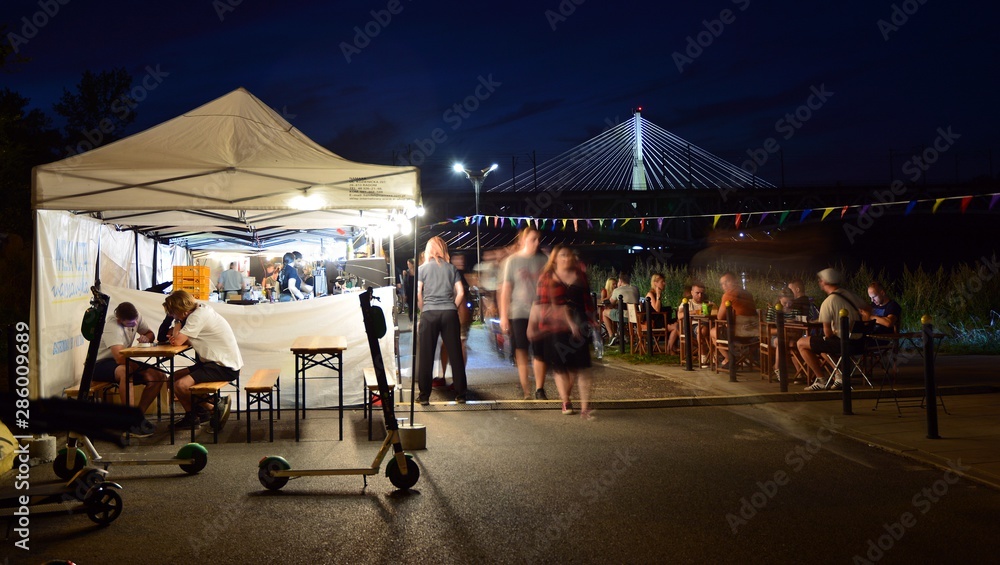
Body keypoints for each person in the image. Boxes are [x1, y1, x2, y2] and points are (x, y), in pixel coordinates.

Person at [529, 245, 597, 420]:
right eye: (563, 255)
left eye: (569, 255)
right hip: (555, 326)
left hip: (579, 324)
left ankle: (584, 407)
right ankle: (566, 400)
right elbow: (539, 303)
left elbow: (587, 300)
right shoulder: (547, 277)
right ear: (555, 258)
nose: (567, 258)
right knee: (560, 366)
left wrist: (593, 319)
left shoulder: (580, 276)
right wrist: (532, 325)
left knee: (580, 366)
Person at [164, 290, 243, 429]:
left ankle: (208, 409)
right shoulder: (200, 311)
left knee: (180, 385)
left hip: (223, 366)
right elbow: (184, 340)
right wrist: (179, 335)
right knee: (171, 379)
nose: (171, 316)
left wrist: (177, 323)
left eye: (172, 312)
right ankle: (204, 410)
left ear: (180, 309)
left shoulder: (197, 316)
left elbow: (177, 341)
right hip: (214, 363)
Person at [93, 302, 165, 437]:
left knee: (158, 376)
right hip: (100, 363)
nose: (135, 323)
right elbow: (119, 359)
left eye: (136, 321)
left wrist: (146, 338)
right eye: (131, 323)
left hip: (122, 360)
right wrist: (142, 369)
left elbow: (150, 333)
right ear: (120, 321)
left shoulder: (136, 317)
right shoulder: (112, 326)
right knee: (126, 372)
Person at [415, 236, 469, 405]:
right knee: (455, 354)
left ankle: (424, 396)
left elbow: (418, 292)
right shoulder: (452, 268)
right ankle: (461, 394)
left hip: (430, 313)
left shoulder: (422, 268)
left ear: (429, 250)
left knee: (426, 355)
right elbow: (460, 292)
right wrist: (453, 305)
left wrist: (424, 309)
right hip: (449, 313)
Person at [499, 226, 549, 400]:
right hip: (519, 311)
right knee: (521, 349)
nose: (536, 243)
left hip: (540, 311)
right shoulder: (512, 261)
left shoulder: (544, 260)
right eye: (532, 239)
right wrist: (504, 315)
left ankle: (540, 389)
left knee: (540, 350)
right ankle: (525, 386)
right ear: (523, 240)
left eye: (538, 239)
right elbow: (506, 289)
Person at [798, 268, 870, 390]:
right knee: (821, 346)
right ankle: (839, 375)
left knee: (801, 343)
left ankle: (821, 379)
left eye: (820, 281)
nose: (819, 283)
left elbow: (828, 333)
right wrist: (864, 324)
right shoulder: (850, 295)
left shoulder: (828, 302)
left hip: (844, 344)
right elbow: (868, 309)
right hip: (860, 343)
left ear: (824, 282)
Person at [710, 272, 757, 368]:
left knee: (713, 332)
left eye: (727, 281)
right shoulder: (747, 293)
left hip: (738, 333)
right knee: (721, 329)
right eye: (722, 283)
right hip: (753, 332)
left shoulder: (728, 295)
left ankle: (730, 359)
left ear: (735, 281)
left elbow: (719, 317)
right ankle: (737, 357)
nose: (724, 285)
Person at [677, 281, 713, 365]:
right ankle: (704, 356)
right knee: (702, 330)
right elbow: (679, 315)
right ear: (692, 293)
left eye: (702, 293)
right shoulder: (687, 303)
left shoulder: (708, 303)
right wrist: (695, 312)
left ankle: (716, 355)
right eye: (697, 293)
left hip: (709, 325)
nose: (700, 295)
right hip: (692, 327)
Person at [645, 273, 679, 354]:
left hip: (660, 319)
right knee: (676, 326)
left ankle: (673, 347)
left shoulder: (656, 293)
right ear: (655, 283)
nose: (664, 283)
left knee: (679, 322)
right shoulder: (650, 294)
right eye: (662, 281)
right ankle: (669, 349)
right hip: (654, 322)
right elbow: (657, 309)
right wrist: (658, 296)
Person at [602, 273, 640, 346]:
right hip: (635, 316)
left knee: (604, 313)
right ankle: (627, 337)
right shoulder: (636, 288)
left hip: (624, 316)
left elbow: (611, 302)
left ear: (620, 281)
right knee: (620, 314)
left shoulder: (617, 290)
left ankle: (611, 335)